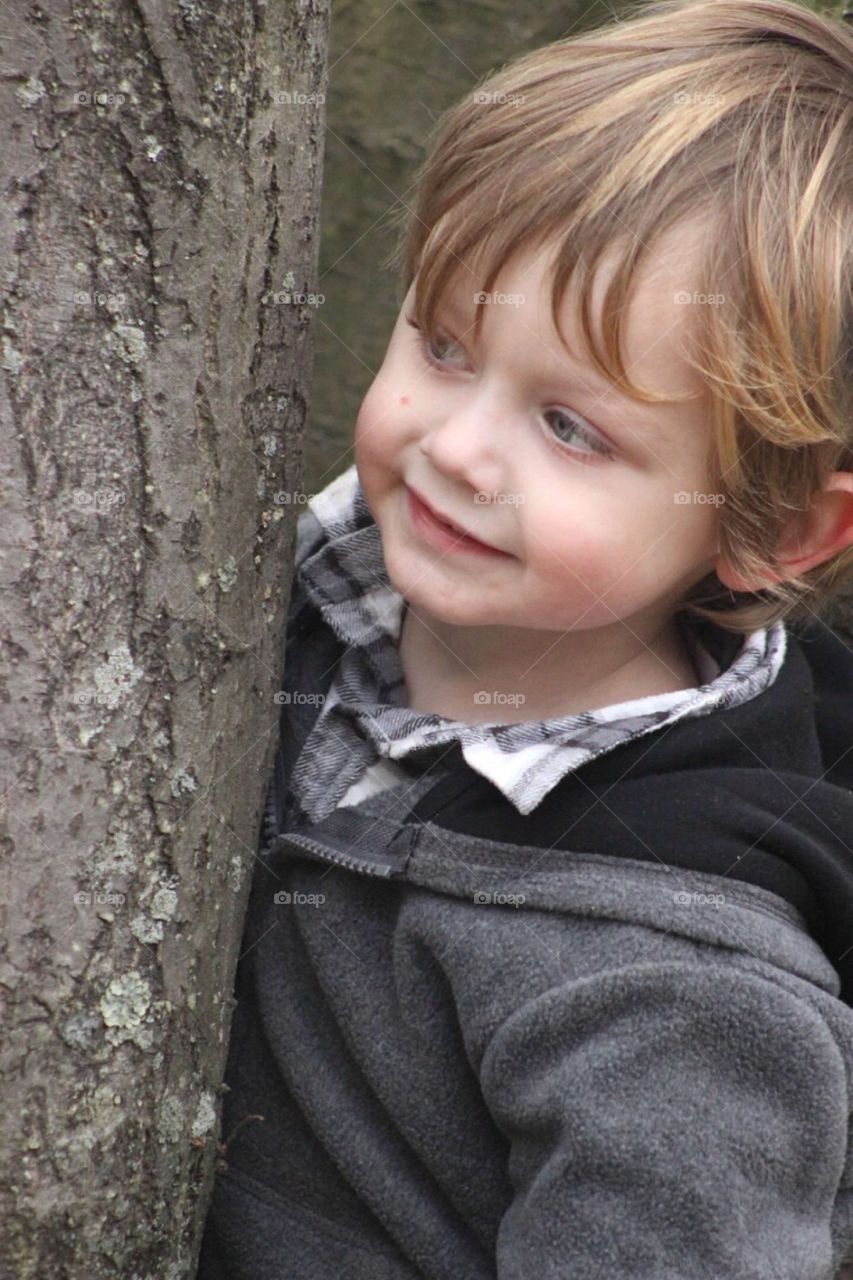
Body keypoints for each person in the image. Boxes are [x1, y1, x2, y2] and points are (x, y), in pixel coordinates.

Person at [197, 0, 853, 1275]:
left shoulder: (675, 986)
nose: (453, 445)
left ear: (774, 530)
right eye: (443, 344)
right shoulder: (284, 592)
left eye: (570, 427)